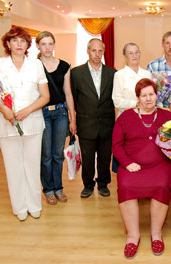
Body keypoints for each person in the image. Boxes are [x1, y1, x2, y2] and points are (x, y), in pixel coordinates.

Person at [112, 78, 171, 259]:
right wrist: (127, 163)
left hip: (161, 165)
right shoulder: (125, 117)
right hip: (132, 164)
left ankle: (156, 234)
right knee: (126, 185)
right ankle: (132, 236)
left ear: (157, 95)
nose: (148, 99)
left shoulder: (168, 117)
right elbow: (116, 145)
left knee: (160, 185)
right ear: (138, 98)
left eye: (151, 94)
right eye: (144, 95)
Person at [0, 26, 49, 221]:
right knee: (13, 167)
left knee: (32, 166)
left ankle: (34, 205)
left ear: (28, 44)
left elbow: (45, 96)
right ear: (8, 44)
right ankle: (19, 207)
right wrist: (4, 110)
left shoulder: (36, 65)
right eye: (15, 40)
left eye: (23, 41)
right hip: (7, 125)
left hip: (33, 123)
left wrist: (28, 110)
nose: (19, 44)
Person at [71, 38, 116, 198]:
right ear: (88, 51)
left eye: (100, 51)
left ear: (103, 52)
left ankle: (103, 184)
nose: (97, 54)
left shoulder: (112, 73)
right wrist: (74, 120)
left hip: (107, 123)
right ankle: (88, 185)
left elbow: (114, 98)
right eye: (93, 50)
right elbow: (74, 99)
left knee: (105, 157)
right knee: (88, 158)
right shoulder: (76, 73)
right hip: (86, 123)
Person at [36, 31, 77, 205]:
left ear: (54, 45)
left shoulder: (64, 66)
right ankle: (48, 189)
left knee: (58, 154)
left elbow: (68, 93)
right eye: (43, 44)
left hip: (60, 113)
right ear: (38, 46)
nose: (47, 47)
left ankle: (59, 188)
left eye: (50, 43)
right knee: (46, 155)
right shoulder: (34, 65)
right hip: (42, 113)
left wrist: (72, 118)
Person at [112, 43, 151, 117]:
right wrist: (135, 104)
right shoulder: (119, 75)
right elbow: (116, 101)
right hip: (126, 116)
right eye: (130, 53)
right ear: (125, 56)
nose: (134, 55)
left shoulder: (147, 74)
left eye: (137, 52)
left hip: (146, 116)